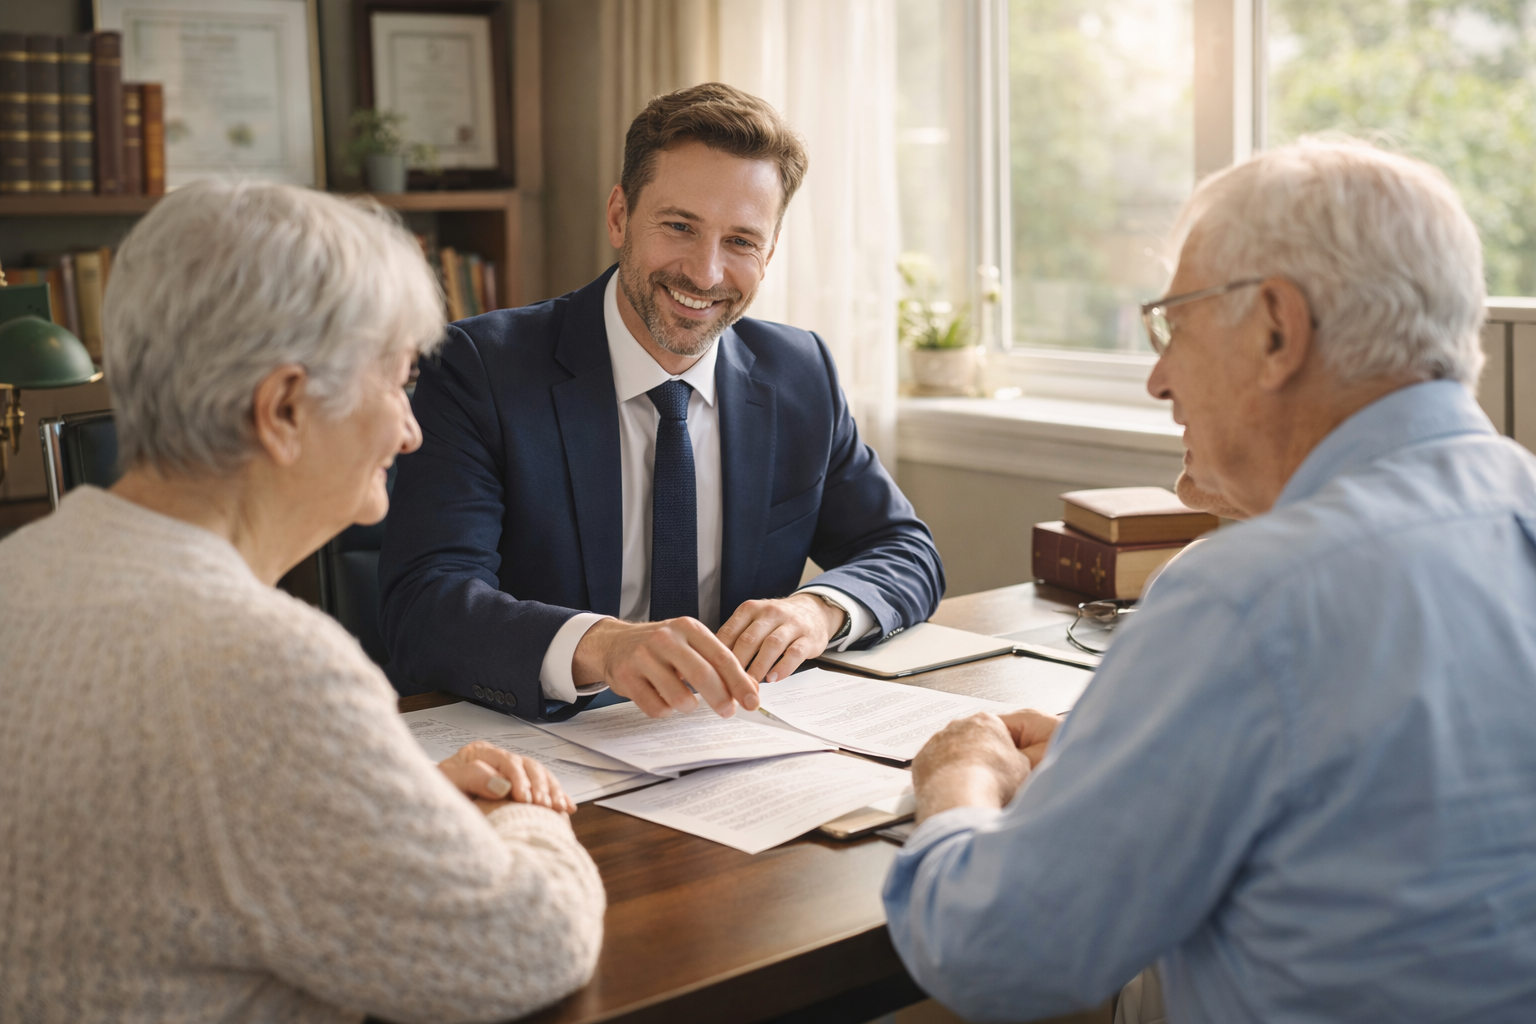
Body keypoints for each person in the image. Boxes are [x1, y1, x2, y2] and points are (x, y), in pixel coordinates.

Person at [882, 138, 1536, 1023]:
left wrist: (959, 776)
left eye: (1173, 325)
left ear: (1276, 328)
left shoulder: (1249, 596)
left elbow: (991, 954)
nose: (1157, 377)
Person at [0, 181, 605, 1023]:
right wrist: (524, 818)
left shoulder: (18, 574)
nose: (410, 429)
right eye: (398, 382)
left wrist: (404, 790)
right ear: (284, 409)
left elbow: (167, 827)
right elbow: (531, 944)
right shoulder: (265, 664)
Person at [379, 82, 944, 721]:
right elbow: (424, 608)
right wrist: (603, 646)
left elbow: (906, 551)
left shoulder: (799, 373)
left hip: (737, 748)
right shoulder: (482, 368)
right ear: (619, 216)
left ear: (771, 251)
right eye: (680, 227)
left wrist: (819, 611)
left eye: (741, 242)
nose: (705, 274)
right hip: (546, 752)